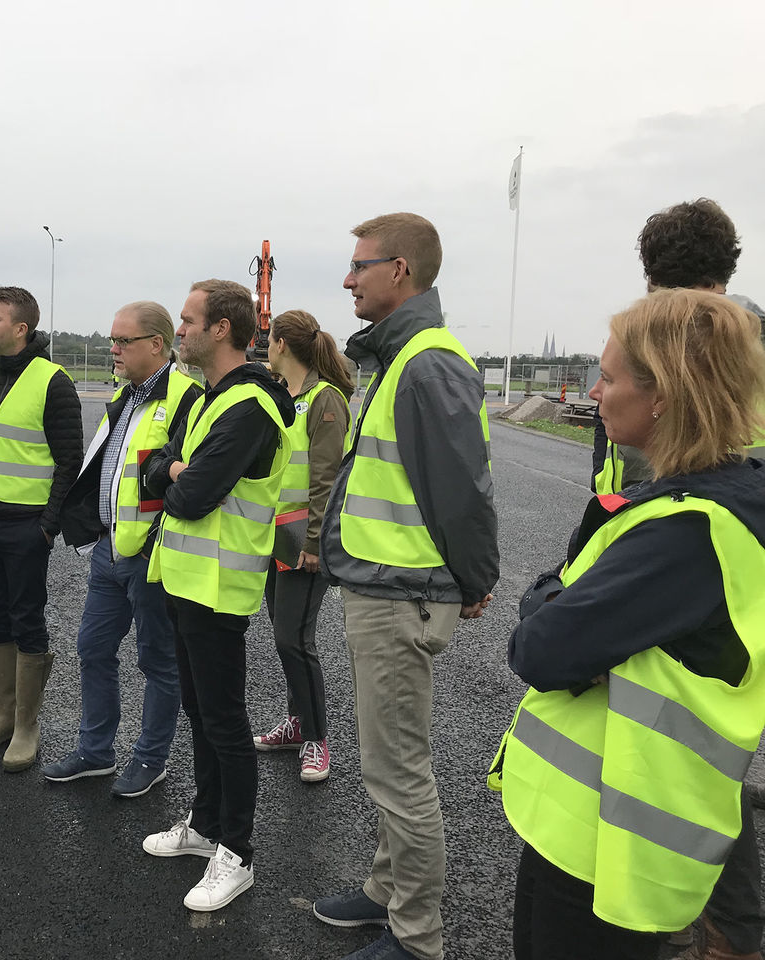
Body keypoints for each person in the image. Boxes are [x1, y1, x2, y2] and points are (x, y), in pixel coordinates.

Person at [489, 289, 765, 960]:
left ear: (664, 395)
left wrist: (548, 597)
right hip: (623, 820)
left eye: (608, 377)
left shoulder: (687, 531)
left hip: (608, 839)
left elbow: (541, 649)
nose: (593, 391)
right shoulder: (726, 494)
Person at [313, 213, 498, 960]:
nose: (348, 279)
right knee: (386, 760)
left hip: (401, 595)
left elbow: (464, 491)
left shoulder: (427, 363)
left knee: (400, 773)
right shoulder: (397, 359)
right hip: (382, 587)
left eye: (361, 266)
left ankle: (417, 937)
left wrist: (476, 578)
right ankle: (387, 889)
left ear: (403, 272)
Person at [140, 279, 294, 912]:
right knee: (200, 714)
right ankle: (205, 827)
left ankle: (238, 851)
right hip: (181, 578)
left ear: (222, 329)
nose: (180, 329)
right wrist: (176, 470)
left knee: (226, 721)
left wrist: (176, 473)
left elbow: (188, 494)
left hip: (220, 587)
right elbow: (156, 466)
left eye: (187, 319)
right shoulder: (205, 397)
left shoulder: (252, 406)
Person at [46, 301, 201, 797]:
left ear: (156, 345)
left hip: (152, 555)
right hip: (110, 550)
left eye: (121, 341)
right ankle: (96, 753)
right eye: (112, 340)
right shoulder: (127, 396)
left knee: (158, 662)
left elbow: (188, 481)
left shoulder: (186, 399)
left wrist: (156, 543)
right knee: (92, 648)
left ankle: (150, 760)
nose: (112, 349)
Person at [0, 286, 82, 772]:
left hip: (25, 525)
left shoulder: (54, 381)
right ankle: (4, 715)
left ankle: (28, 724)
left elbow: (70, 461)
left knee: (27, 619)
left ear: (21, 329)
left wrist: (47, 526)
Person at [593, 198, 765, 495]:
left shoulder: (645, 340)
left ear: (654, 276)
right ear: (725, 271)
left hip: (650, 516)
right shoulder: (753, 339)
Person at [253, 309, 351, 782]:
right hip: (276, 539)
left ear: (282, 345)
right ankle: (297, 724)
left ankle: (316, 737)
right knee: (284, 637)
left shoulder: (325, 400)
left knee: (293, 640)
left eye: (268, 340)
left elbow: (326, 480)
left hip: (305, 544)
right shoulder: (282, 395)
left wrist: (314, 543)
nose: (265, 347)